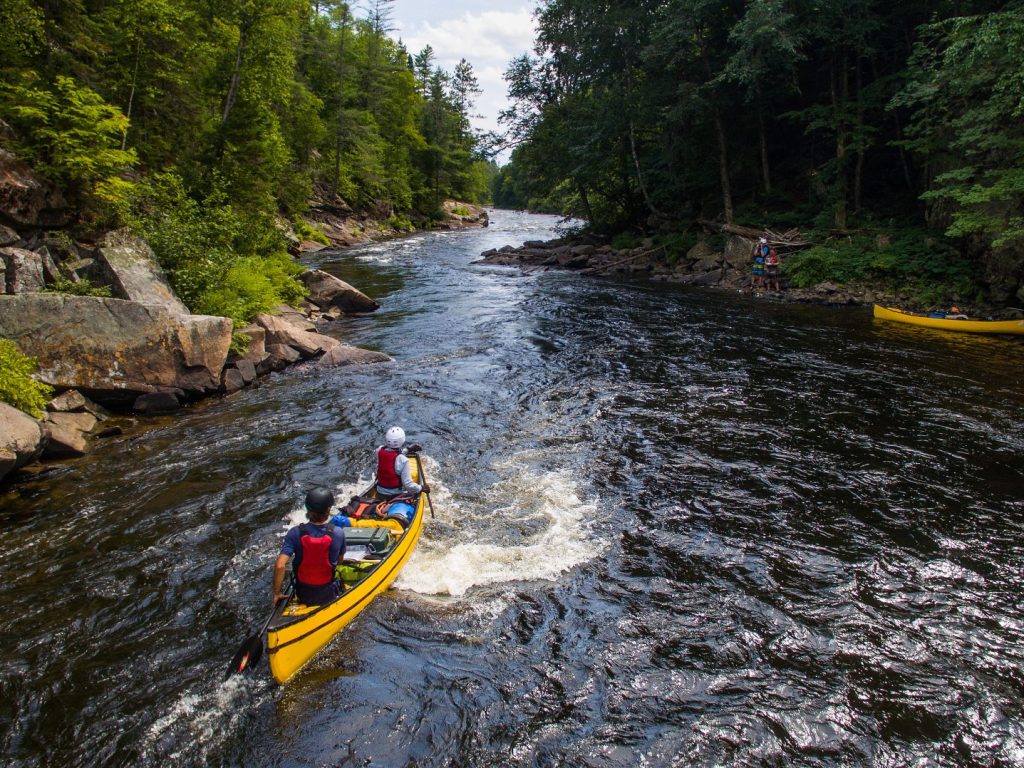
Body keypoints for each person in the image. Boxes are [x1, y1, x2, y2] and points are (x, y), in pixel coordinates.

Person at [272, 487, 346, 606]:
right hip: (328, 593)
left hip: (302, 593)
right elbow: (340, 560)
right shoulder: (338, 533)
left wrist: (277, 593)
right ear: (328, 510)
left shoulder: (295, 533)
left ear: (307, 509)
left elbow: (280, 565)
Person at [375, 425, 429, 498]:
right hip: (395, 495)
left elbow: (391, 457)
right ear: (402, 440)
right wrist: (421, 488)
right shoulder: (403, 460)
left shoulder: (379, 450)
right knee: (414, 492)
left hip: (379, 493)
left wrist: (407, 450)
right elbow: (408, 485)